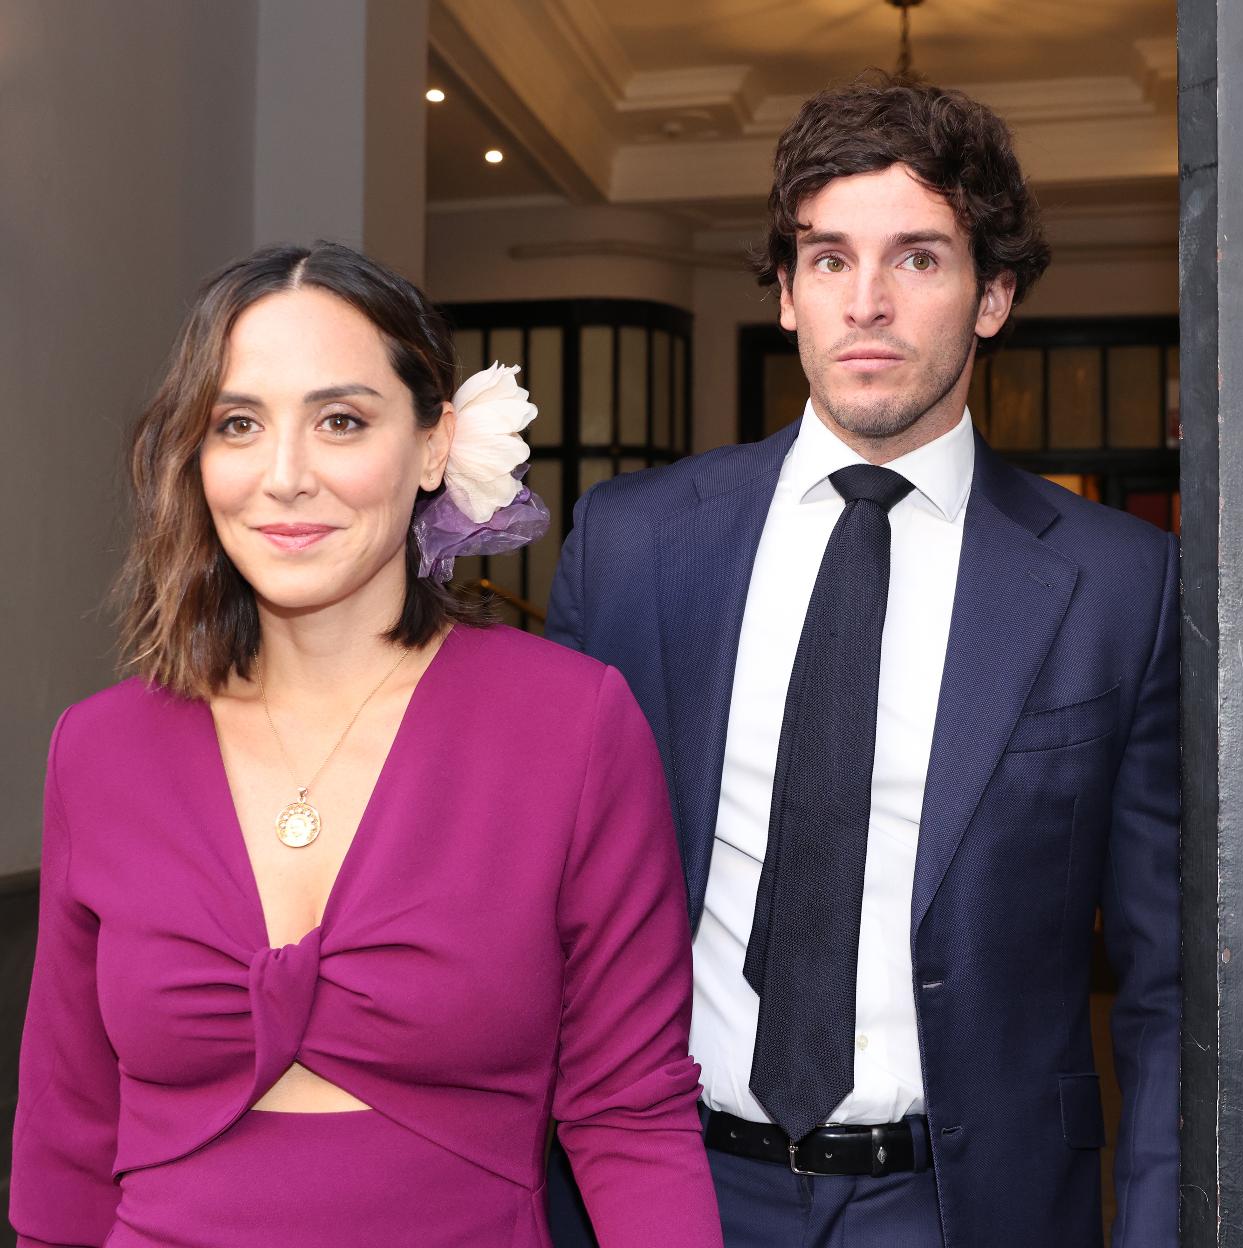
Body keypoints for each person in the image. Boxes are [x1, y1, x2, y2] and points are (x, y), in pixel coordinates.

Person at [545, 76, 1178, 1248]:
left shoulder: (1118, 586)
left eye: (919, 259)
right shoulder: (631, 548)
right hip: (667, 1189)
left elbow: (1166, 983)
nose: (867, 303)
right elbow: (534, 912)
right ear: (786, 293)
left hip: (964, 1205)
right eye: (829, 259)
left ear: (993, 296)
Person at [10, 241, 724, 1248]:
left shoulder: (570, 726)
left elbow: (630, 1114)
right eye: (239, 424)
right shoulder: (101, 750)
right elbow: (66, 1136)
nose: (285, 477)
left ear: (433, 446)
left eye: (341, 421)